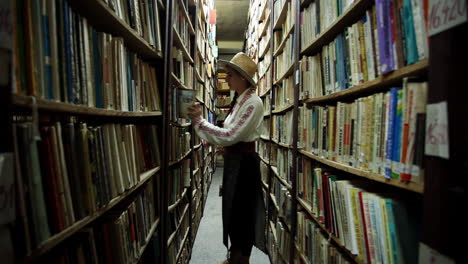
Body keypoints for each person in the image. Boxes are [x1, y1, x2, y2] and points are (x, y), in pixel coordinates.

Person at [187, 52, 266, 264]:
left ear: (242, 78)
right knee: (233, 213)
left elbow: (230, 135)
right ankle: (234, 257)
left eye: (229, 75)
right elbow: (230, 134)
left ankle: (241, 260)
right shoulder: (241, 100)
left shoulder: (253, 103)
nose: (226, 79)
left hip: (244, 166)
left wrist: (199, 122)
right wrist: (222, 143)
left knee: (242, 215)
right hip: (237, 162)